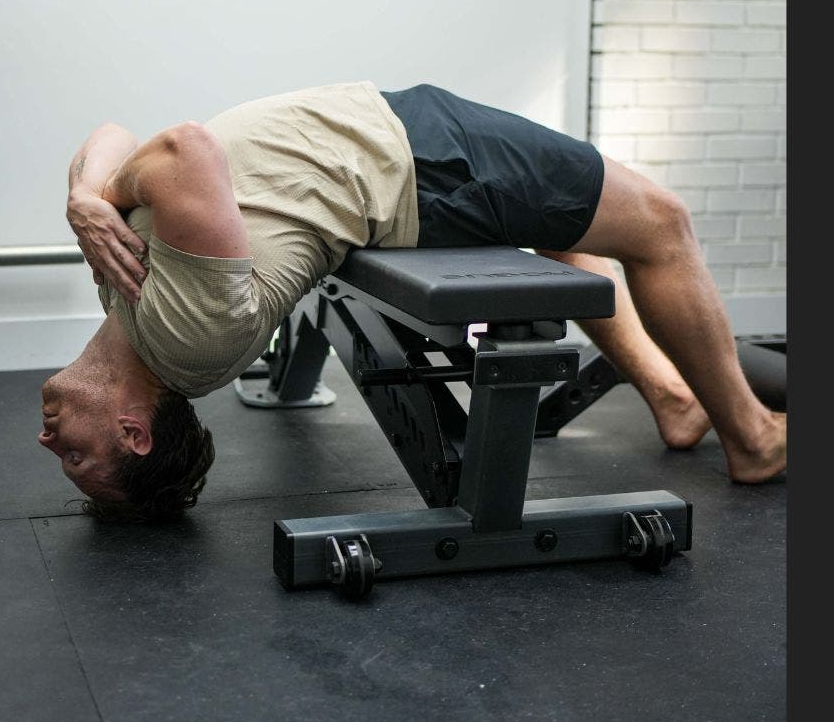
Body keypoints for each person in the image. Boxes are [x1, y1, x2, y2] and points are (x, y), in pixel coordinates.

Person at [40, 80, 787, 521]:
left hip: (387, 158)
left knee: (560, 231)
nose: (49, 441)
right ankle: (752, 438)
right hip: (417, 165)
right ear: (135, 432)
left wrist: (84, 199)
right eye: (76, 453)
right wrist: (104, 196)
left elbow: (109, 133)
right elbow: (184, 151)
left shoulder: (132, 315)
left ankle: (670, 396)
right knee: (663, 224)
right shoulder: (187, 340)